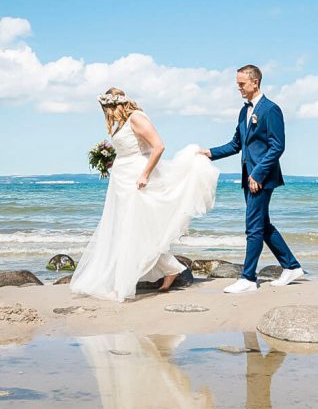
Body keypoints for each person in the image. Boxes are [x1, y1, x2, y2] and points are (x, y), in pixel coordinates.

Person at [71, 88, 219, 302]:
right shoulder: (122, 123)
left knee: (134, 229)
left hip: (136, 180)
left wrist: (144, 175)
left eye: (106, 109)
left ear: (115, 105)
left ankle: (129, 282)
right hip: (121, 179)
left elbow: (158, 146)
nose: (106, 114)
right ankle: (170, 268)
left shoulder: (137, 118)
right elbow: (131, 149)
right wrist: (113, 161)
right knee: (126, 230)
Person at [199, 65, 304, 293]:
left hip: (262, 177)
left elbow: (277, 146)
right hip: (249, 178)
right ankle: (291, 266)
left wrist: (258, 173)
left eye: (241, 84)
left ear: (255, 82)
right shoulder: (243, 111)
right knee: (262, 225)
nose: (239, 88)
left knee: (253, 227)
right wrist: (208, 152)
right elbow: (236, 144)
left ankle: (248, 278)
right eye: (237, 84)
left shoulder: (271, 109)